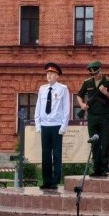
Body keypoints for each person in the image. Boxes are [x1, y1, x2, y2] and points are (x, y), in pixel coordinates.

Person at [76, 60, 109, 177]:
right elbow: (79, 96)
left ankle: (104, 169)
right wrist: (82, 105)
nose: (94, 76)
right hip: (92, 116)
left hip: (105, 116)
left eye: (96, 73)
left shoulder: (108, 82)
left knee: (105, 142)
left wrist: (106, 93)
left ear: (100, 70)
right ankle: (96, 169)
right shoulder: (87, 83)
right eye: (92, 74)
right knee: (94, 142)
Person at [34, 62, 70, 190]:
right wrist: (38, 124)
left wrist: (63, 127)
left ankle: (55, 181)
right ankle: (47, 181)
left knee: (56, 154)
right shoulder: (42, 89)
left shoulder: (63, 89)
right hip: (44, 125)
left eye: (51, 74)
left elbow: (66, 109)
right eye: (47, 73)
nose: (48, 76)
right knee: (45, 154)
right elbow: (38, 107)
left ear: (57, 76)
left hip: (56, 126)